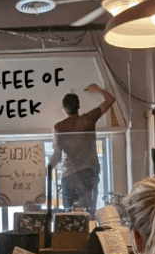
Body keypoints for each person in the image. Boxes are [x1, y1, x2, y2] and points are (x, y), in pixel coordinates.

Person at [48, 82, 114, 214]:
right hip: (88, 174)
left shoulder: (59, 127)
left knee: (69, 218)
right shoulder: (88, 119)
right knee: (88, 215)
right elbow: (110, 100)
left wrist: (48, 169)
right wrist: (98, 89)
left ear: (63, 108)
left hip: (69, 175)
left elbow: (58, 153)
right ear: (78, 107)